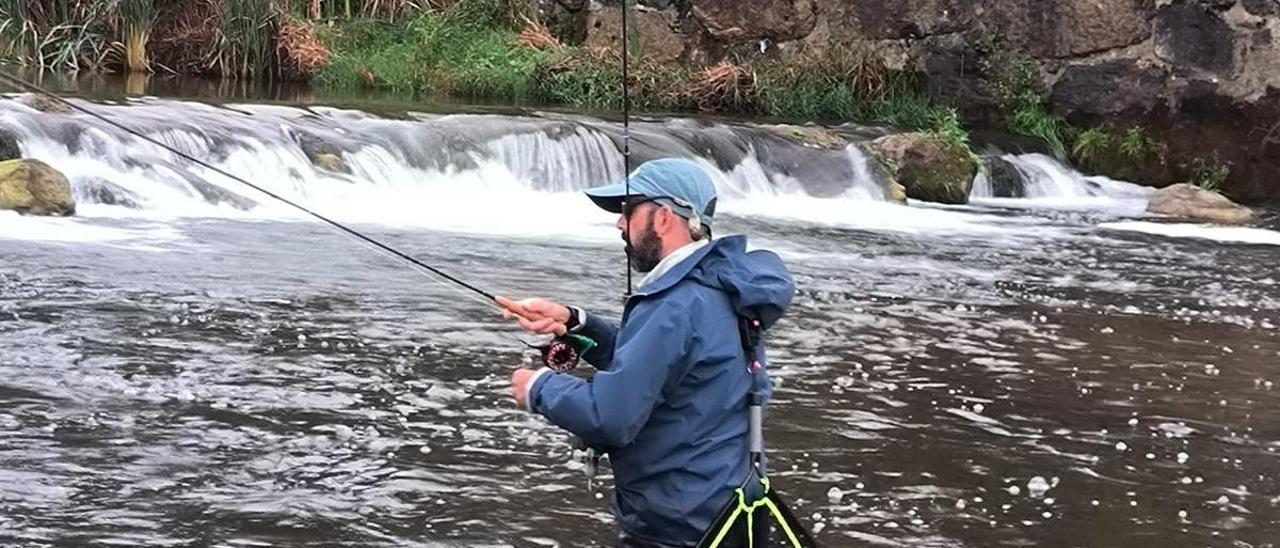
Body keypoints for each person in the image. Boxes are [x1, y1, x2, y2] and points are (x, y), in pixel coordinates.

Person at [497, 158, 796, 547]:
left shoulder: (676, 304)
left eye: (628, 210)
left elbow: (610, 416)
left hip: (678, 527)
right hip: (726, 510)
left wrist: (537, 387)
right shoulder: (719, 285)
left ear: (665, 217)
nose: (620, 224)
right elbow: (661, 363)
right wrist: (575, 323)